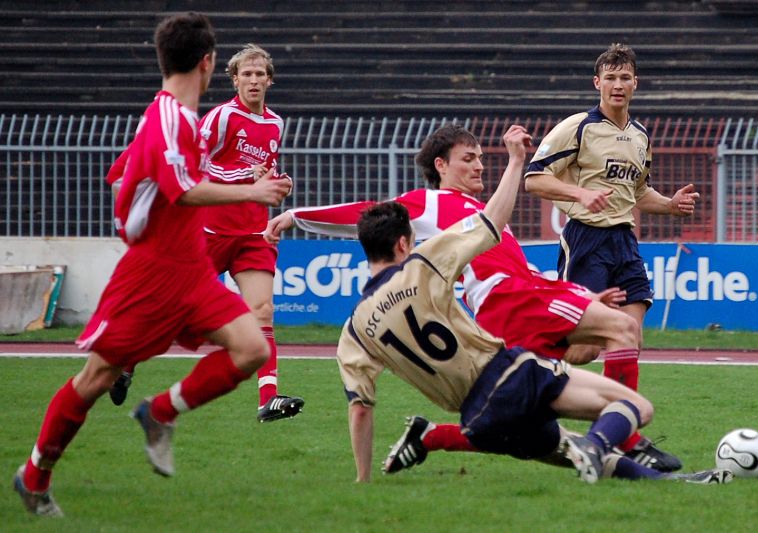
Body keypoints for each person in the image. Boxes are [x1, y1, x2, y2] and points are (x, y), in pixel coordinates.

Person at [266, 123, 681, 472]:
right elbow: (367, 214)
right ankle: (625, 440)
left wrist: (578, 296)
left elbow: (514, 264)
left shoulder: (478, 210)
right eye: (468, 158)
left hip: (519, 299)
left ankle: (434, 437)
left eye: (481, 157)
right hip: (510, 298)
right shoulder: (430, 203)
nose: (479, 165)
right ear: (441, 166)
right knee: (622, 328)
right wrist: (296, 216)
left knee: (556, 381)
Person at [12, 13, 293, 517]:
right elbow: (178, 188)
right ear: (210, 64)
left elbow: (121, 175)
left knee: (251, 346)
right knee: (95, 379)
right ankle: (34, 477)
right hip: (152, 274)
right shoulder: (173, 118)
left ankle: (160, 411)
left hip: (191, 269)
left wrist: (138, 202)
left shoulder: (176, 118)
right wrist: (250, 190)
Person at [108, 44, 304, 423]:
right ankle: (127, 363)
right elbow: (195, 167)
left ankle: (268, 398)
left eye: (260, 74)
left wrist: (279, 182)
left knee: (263, 310)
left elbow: (262, 171)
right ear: (234, 79)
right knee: (169, 308)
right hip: (211, 230)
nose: (253, 80)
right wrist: (245, 176)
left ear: (270, 80)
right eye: (246, 74)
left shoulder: (275, 124)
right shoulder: (222, 117)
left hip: (252, 232)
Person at [523, 43, 698, 462]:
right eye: (611, 78)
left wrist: (670, 205)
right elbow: (533, 178)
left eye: (625, 78)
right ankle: (521, 374)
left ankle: (620, 435)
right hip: (586, 240)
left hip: (624, 241)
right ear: (597, 83)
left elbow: (638, 193)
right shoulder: (578, 127)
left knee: (629, 335)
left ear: (636, 83)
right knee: (585, 349)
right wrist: (579, 193)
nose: (618, 85)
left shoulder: (639, 136)